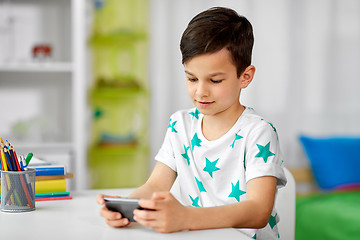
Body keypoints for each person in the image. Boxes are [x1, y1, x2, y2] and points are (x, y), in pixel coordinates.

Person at [97, 7, 287, 239]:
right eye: (192, 78)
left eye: (215, 80)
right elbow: (156, 185)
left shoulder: (258, 132)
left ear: (245, 77)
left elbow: (258, 211)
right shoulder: (180, 124)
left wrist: (186, 218)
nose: (200, 91)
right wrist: (127, 208)